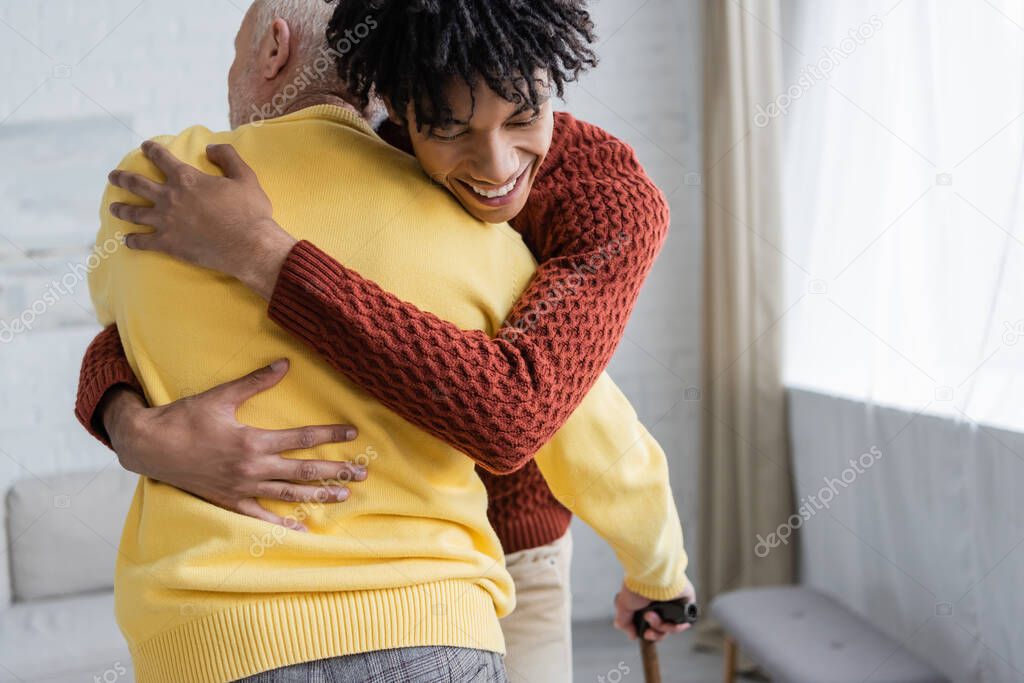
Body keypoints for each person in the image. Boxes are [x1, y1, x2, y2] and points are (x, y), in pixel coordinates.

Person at [78, 1, 692, 681]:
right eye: (449, 128)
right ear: (395, 98)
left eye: (523, 116)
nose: (493, 167)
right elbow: (123, 337)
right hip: (435, 609)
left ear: (272, 47)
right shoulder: (430, 199)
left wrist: (265, 253)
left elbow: (520, 405)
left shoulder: (609, 203)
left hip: (508, 545)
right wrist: (131, 425)